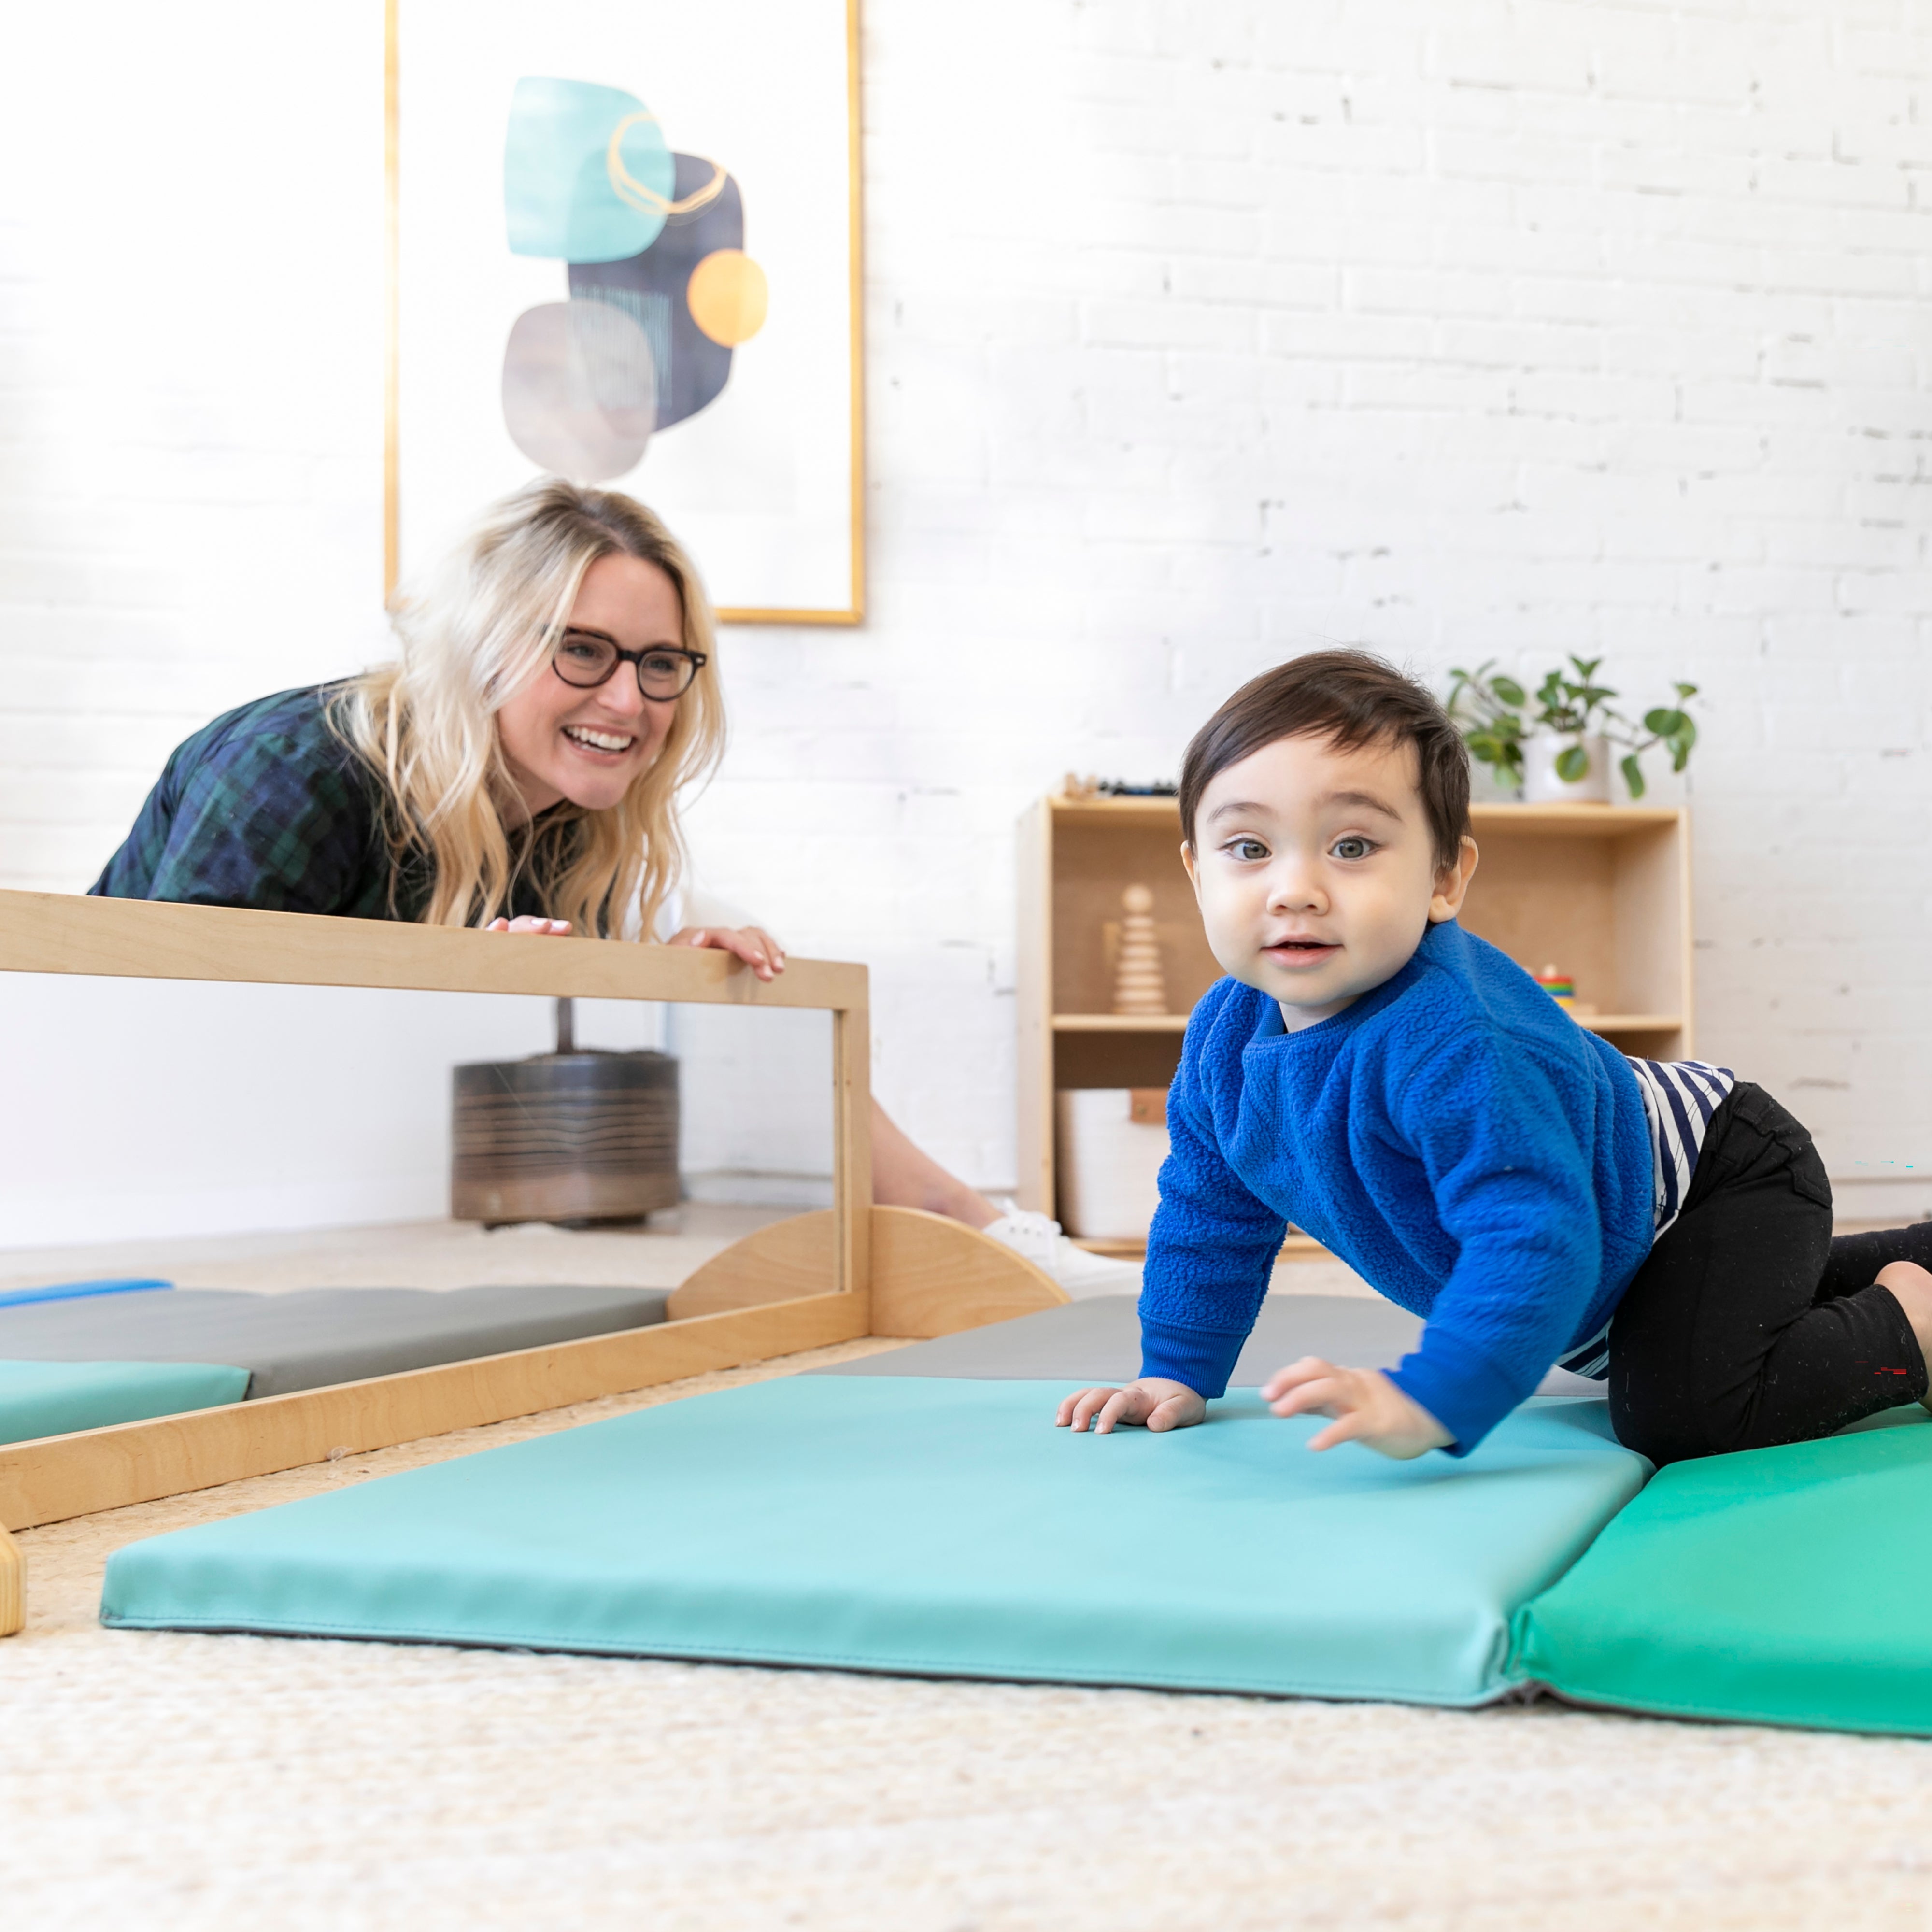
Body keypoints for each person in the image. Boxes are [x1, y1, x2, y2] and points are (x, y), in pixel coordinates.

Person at [91, 478, 1132, 1297]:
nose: (629, 700)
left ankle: (976, 1221)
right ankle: (971, 1220)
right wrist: (457, 984)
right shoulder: (295, 764)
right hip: (109, 1173)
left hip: (301, 1192)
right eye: (581, 650)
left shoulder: (555, 821)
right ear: (485, 646)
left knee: (735, 978)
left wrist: (660, 990)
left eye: (660, 663)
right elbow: (184, 1047)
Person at [1056, 649, 1932, 1463]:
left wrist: (1435, 1402)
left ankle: (1912, 1321)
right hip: (1631, 1251)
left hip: (1717, 1180)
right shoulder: (1223, 1039)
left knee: (1683, 1410)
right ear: (1197, 873)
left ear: (1445, 880)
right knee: (1701, 1323)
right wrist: (1176, 1370)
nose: (1296, 889)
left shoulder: (1457, 1038)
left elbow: (1533, 1235)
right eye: (1248, 849)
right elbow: (1209, 1216)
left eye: (1352, 847)